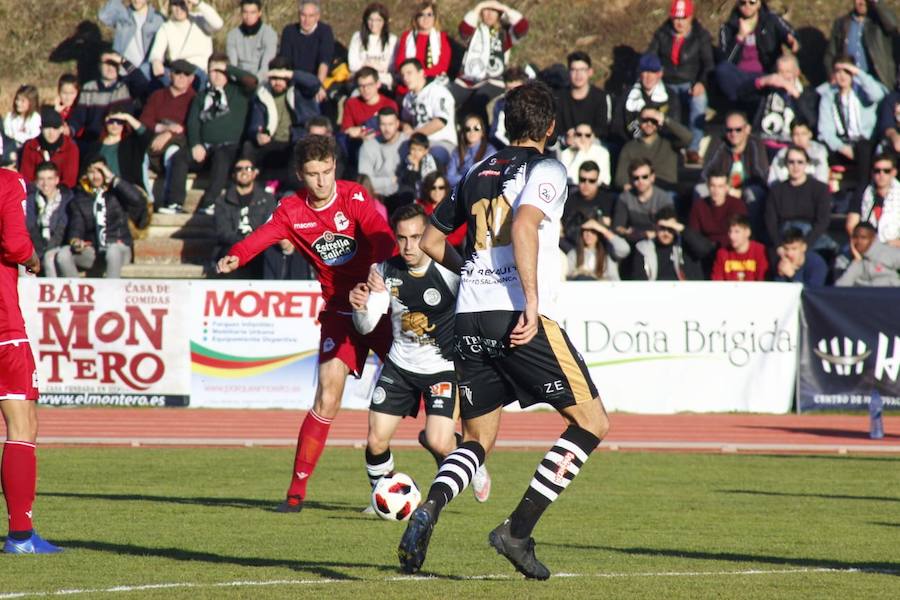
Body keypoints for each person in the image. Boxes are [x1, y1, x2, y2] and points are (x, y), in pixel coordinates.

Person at [400, 80, 611, 580]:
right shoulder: (547, 168)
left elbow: (431, 240)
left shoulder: (475, 170)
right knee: (591, 423)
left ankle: (430, 507)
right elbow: (522, 226)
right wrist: (531, 303)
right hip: (514, 313)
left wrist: (471, 270)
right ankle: (516, 531)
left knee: (477, 440)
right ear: (552, 128)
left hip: (470, 317)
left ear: (505, 125)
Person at [217, 135, 396, 512]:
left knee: (420, 385)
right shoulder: (291, 209)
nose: (321, 182)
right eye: (312, 174)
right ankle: (296, 494)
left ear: (335, 167)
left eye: (326, 172)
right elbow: (262, 236)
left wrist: (379, 272)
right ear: (301, 174)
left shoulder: (354, 197)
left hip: (378, 304)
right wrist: (237, 254)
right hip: (338, 311)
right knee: (327, 397)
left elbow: (382, 237)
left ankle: (461, 459)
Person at [349, 203, 491, 507]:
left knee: (439, 441)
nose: (408, 246)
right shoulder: (383, 271)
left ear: (426, 234)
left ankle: (473, 461)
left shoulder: (450, 270)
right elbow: (366, 326)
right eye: (401, 238)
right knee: (375, 440)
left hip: (441, 368)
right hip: (400, 366)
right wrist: (360, 306)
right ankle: (381, 500)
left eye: (415, 237)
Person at [0, 168, 62, 554]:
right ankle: (21, 535)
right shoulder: (7, 181)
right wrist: (34, 260)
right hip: (3, 322)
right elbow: (15, 244)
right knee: (23, 424)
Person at [163, 54, 258, 215]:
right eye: (213, 71)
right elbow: (193, 122)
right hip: (205, 148)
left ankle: (209, 203)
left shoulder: (239, 92)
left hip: (229, 148)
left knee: (222, 157)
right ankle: (174, 203)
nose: (217, 75)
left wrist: (227, 68)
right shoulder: (201, 96)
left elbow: (252, 81)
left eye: (221, 71)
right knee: (179, 157)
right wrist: (195, 144)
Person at [646, 0, 714, 164]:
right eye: (676, 18)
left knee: (699, 100)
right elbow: (650, 57)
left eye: (683, 18)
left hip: (689, 83)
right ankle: (667, 148)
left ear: (690, 17)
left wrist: (701, 83)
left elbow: (708, 64)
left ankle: (693, 148)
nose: (679, 22)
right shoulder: (662, 34)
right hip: (665, 82)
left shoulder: (700, 36)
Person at [56, 156, 146, 278]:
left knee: (112, 250)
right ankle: (77, 293)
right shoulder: (80, 197)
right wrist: (76, 240)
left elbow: (137, 200)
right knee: (63, 254)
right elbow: (77, 225)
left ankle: (110, 293)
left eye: (99, 171)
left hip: (119, 248)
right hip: (95, 250)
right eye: (91, 172)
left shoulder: (117, 191)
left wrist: (113, 178)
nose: (96, 176)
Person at [245, 56, 323, 193]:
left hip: (296, 139)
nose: (277, 82)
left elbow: (315, 84)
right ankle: (247, 188)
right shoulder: (262, 95)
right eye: (274, 78)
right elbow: (253, 124)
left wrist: (289, 74)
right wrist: (257, 135)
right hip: (272, 140)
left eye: (281, 78)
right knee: (249, 147)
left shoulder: (299, 91)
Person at [817, 56, 886, 183]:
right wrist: (842, 147)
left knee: (864, 149)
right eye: (838, 72)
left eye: (847, 72)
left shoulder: (863, 92)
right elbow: (825, 131)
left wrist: (858, 73)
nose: (842, 76)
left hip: (866, 143)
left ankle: (862, 191)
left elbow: (878, 95)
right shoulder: (828, 96)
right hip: (842, 144)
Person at [452, 1, 529, 116]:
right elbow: (464, 29)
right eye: (486, 10)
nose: (489, 14)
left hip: (494, 79)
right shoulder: (474, 32)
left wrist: (504, 8)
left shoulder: (505, 34)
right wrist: (479, 7)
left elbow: (522, 27)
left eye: (493, 11)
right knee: (449, 99)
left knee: (478, 101)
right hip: (468, 78)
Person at [715, 0, 799, 104]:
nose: (747, 6)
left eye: (752, 2)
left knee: (786, 68)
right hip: (741, 78)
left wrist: (792, 40)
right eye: (743, 2)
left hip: (767, 74)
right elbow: (725, 60)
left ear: (759, 3)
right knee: (722, 70)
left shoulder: (771, 20)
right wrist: (740, 37)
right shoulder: (728, 27)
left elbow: (788, 32)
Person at [68, 50, 146, 159]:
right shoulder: (89, 87)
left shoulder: (126, 86)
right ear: (99, 65)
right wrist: (69, 129)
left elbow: (143, 85)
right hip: (93, 141)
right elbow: (78, 117)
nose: (110, 68)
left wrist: (123, 61)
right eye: (107, 64)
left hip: (120, 142)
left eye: (114, 64)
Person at [139, 59, 196, 203]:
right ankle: (147, 200)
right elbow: (145, 120)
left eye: (186, 74)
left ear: (192, 78)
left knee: (174, 154)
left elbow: (192, 126)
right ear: (170, 75)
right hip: (154, 139)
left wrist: (169, 134)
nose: (182, 77)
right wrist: (164, 129)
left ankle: (170, 202)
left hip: (179, 142)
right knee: (137, 155)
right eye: (177, 72)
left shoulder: (195, 99)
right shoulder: (157, 95)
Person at [700, 111, 769, 231]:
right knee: (700, 189)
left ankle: (751, 233)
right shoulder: (719, 143)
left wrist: (740, 191)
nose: (733, 133)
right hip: (722, 186)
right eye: (729, 130)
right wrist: (721, 187)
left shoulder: (755, 144)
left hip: (746, 187)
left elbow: (761, 176)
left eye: (738, 130)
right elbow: (706, 172)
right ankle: (705, 231)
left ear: (747, 129)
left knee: (754, 193)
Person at [214, 156, 276, 278]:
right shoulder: (223, 200)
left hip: (260, 247)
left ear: (254, 173)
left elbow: (271, 227)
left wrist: (253, 242)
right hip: (232, 245)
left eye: (248, 168)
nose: (243, 171)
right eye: (239, 169)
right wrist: (244, 241)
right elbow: (222, 232)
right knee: (228, 258)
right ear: (233, 174)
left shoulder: (267, 199)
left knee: (271, 254)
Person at [765, 145, 833, 249]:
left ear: (807, 163)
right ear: (786, 164)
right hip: (784, 236)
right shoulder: (776, 190)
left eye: (800, 162)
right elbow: (771, 222)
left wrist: (805, 244)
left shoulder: (820, 189)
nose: (795, 166)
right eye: (791, 162)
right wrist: (779, 245)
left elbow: (823, 221)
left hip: (810, 236)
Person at [752, 54, 820, 154]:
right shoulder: (768, 90)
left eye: (788, 72)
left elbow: (812, 121)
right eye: (780, 72)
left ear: (797, 72)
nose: (783, 76)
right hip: (764, 143)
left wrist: (795, 94)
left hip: (793, 146)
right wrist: (762, 81)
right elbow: (740, 93)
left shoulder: (809, 94)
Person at [825, 0, 899, 90]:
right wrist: (833, 75)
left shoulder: (879, 23)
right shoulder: (842, 24)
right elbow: (830, 55)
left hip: (875, 84)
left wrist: (877, 3)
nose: (862, 2)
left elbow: (893, 25)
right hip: (847, 84)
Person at [614, 106, 691, 190]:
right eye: (645, 120)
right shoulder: (629, 147)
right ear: (639, 121)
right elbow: (620, 178)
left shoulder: (669, 141)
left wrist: (665, 119)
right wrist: (629, 188)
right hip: (640, 190)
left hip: (666, 189)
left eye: (653, 120)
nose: (649, 124)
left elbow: (688, 138)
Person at [613, 53, 682, 143]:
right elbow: (618, 125)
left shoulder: (670, 96)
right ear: (640, 74)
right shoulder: (628, 95)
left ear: (660, 74)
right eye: (645, 72)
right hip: (632, 145)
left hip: (662, 147)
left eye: (652, 72)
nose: (648, 77)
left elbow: (674, 126)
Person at [149, 0, 223, 84]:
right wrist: (156, 60)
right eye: (175, 5)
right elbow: (156, 51)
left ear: (190, 5)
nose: (178, 9)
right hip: (178, 71)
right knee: (146, 69)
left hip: (200, 72)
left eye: (182, 5)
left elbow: (218, 24)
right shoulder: (166, 27)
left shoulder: (200, 20)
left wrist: (198, 3)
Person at [399, 58, 457, 165]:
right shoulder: (408, 98)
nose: (405, 78)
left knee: (431, 161)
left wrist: (414, 134)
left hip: (440, 141)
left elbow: (440, 122)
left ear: (421, 73)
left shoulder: (437, 91)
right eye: (403, 75)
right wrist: (405, 126)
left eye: (409, 73)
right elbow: (404, 120)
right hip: (417, 144)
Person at [629, 207, 711, 280]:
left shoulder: (686, 244)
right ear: (655, 228)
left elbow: (705, 249)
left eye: (670, 229)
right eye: (662, 228)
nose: (666, 233)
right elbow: (638, 280)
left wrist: (682, 229)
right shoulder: (643, 248)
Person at [25, 162, 75, 277]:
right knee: (24, 263)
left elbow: (62, 229)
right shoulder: (29, 201)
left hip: (60, 246)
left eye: (49, 179)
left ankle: (53, 294)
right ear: (36, 181)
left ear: (57, 180)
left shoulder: (67, 200)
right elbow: (29, 227)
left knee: (49, 258)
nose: (45, 184)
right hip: (37, 248)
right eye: (41, 179)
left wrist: (45, 251)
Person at [613, 158, 675, 244]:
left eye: (645, 177)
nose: (640, 181)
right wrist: (637, 233)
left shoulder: (664, 198)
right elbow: (618, 227)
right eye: (636, 178)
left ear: (652, 177)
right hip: (633, 239)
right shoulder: (624, 198)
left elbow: (668, 227)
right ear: (631, 180)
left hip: (657, 242)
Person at [278, 0, 335, 94]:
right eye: (303, 15)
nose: (306, 20)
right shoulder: (289, 31)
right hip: (294, 81)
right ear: (298, 15)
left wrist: (318, 86)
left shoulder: (325, 31)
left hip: (315, 79)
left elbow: (324, 62)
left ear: (317, 16)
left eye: (311, 16)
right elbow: (285, 61)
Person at [554, 52, 611, 145]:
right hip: (566, 145)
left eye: (582, 70)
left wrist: (584, 134)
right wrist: (566, 138)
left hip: (593, 143)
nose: (578, 75)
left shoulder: (600, 97)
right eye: (574, 70)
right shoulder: (558, 97)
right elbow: (555, 129)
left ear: (590, 72)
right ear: (568, 72)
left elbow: (603, 129)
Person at [394, 0, 452, 93]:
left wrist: (420, 77)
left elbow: (443, 65)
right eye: (421, 15)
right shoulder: (407, 37)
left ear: (434, 18)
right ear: (416, 18)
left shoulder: (441, 37)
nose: (426, 18)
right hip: (408, 83)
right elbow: (400, 63)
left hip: (433, 82)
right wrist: (413, 78)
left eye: (429, 15)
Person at [99, 0, 165, 77]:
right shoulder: (123, 15)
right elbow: (104, 16)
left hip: (145, 74)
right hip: (122, 72)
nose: (136, 1)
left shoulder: (158, 19)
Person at [560, 161, 615, 252]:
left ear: (598, 181)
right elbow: (563, 229)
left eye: (591, 181)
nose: (586, 184)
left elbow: (609, 229)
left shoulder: (607, 200)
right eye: (582, 179)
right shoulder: (570, 199)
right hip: (573, 247)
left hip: (600, 248)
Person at [19, 107, 80, 189]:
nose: (51, 133)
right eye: (47, 128)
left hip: (62, 194)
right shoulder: (31, 146)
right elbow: (26, 177)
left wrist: (53, 193)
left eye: (55, 128)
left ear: (62, 129)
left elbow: (69, 181)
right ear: (41, 129)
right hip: (34, 192)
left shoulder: (70, 148)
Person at [846, 153, 900, 245]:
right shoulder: (863, 192)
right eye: (877, 171)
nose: (881, 174)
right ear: (872, 172)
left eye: (886, 171)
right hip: (865, 244)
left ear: (894, 172)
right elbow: (851, 225)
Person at [358, 107, 409, 201]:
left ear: (397, 124)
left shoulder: (407, 143)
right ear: (378, 124)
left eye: (390, 124)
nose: (387, 129)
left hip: (402, 196)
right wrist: (391, 181)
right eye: (383, 124)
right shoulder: (368, 146)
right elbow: (365, 182)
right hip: (377, 197)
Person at [688, 170, 748, 249]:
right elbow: (694, 235)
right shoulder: (699, 206)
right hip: (705, 249)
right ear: (708, 186)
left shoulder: (737, 205)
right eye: (713, 186)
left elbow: (741, 235)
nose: (716, 190)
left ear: (727, 187)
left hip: (730, 249)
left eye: (720, 186)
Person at [97, 111, 152, 191]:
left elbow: (147, 136)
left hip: (127, 190)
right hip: (102, 189)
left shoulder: (131, 145)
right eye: (111, 121)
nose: (115, 124)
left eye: (119, 121)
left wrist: (127, 117)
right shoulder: (95, 146)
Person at [348, 3, 398, 89]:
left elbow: (391, 66)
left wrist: (367, 65)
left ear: (384, 21)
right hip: (361, 82)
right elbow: (353, 65)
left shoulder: (393, 40)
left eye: (378, 20)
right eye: (370, 20)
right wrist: (376, 67)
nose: (374, 24)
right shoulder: (357, 37)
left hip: (383, 83)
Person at [341, 67, 398, 141]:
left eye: (370, 85)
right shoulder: (351, 103)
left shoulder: (389, 104)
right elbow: (347, 130)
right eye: (361, 86)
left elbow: (392, 131)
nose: (365, 89)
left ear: (378, 84)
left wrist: (362, 130)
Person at [226, 0, 278, 80]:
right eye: (245, 12)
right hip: (239, 81)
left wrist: (254, 82)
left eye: (252, 12)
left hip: (261, 81)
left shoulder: (269, 34)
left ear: (259, 13)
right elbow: (232, 66)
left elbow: (266, 66)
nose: (248, 16)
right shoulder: (232, 35)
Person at [768, 118, 830, 185]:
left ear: (810, 134)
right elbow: (774, 180)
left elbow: (822, 179)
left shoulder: (819, 152)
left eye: (803, 134)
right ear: (791, 136)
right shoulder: (782, 155)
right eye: (796, 134)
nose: (800, 138)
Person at [710, 214, 769, 281]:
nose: (731, 236)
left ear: (747, 232)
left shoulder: (759, 251)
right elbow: (716, 282)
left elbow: (762, 281)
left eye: (737, 232)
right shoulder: (722, 253)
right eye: (730, 231)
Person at [417, 172, 466, 248]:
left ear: (446, 189)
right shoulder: (419, 206)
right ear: (427, 189)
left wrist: (432, 242)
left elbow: (458, 237)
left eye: (441, 187)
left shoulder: (454, 207)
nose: (437, 191)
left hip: (449, 250)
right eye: (433, 187)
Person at [447, 114, 496, 187]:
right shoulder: (457, 151)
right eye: (467, 129)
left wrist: (462, 178)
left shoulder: (490, 151)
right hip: (459, 190)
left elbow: (484, 177)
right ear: (463, 132)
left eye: (476, 128)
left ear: (482, 132)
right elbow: (449, 177)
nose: (472, 132)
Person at [559, 122, 611, 187]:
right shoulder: (566, 153)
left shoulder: (602, 152)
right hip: (573, 190)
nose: (583, 138)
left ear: (593, 137)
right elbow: (569, 179)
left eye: (587, 135)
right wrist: (581, 152)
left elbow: (605, 180)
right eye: (579, 134)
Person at [488, 66, 528, 148]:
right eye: (509, 89)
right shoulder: (501, 105)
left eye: (517, 89)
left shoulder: (534, 104)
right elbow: (495, 134)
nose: (513, 93)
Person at [2, 85, 40, 154]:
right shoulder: (10, 117)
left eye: (22, 101)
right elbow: (6, 135)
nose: (18, 103)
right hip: (11, 151)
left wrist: (17, 136)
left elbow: (34, 138)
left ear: (31, 102)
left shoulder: (35, 118)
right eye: (17, 99)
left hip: (29, 152)